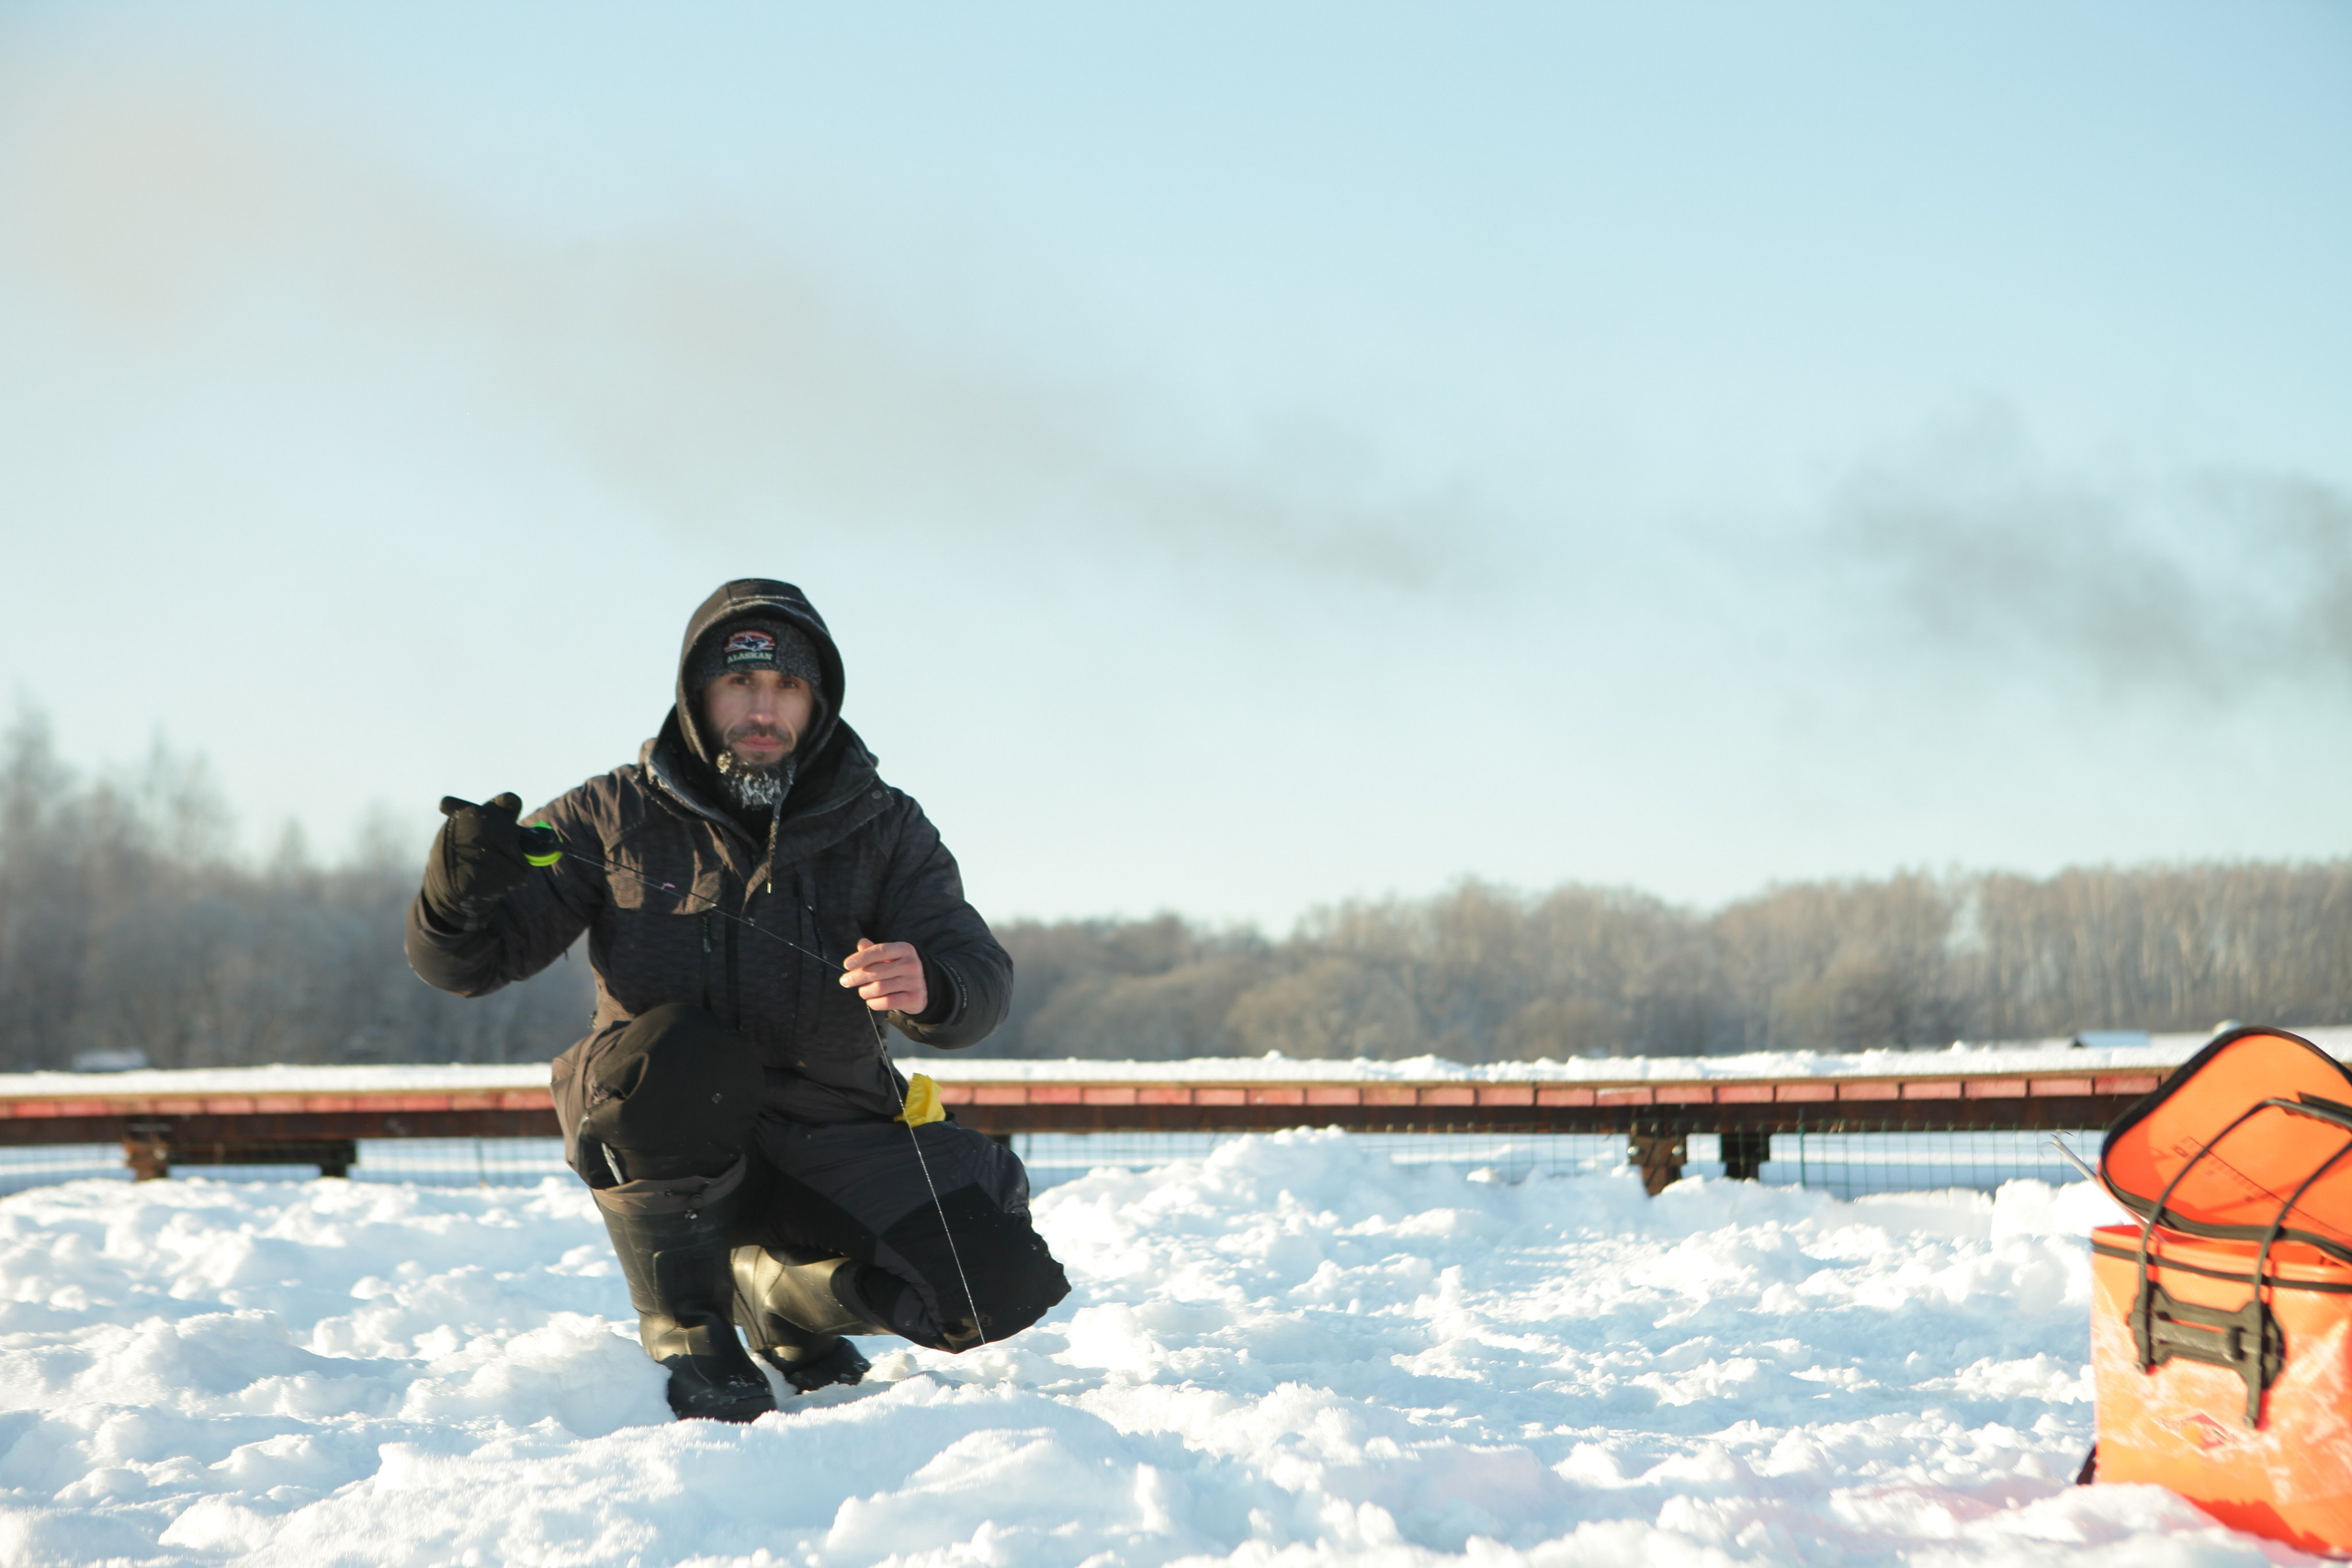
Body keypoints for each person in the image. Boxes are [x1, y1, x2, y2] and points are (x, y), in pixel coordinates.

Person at [405, 578, 1067, 1422]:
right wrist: (453, 895)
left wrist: (934, 984)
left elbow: (979, 973)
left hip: (833, 1128)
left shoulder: (887, 824)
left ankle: (783, 1298)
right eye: (740, 684)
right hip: (667, 1123)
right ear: (696, 696)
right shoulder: (606, 816)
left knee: (998, 1280)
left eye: (787, 686)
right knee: (685, 1051)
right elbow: (467, 963)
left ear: (817, 702)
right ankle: (687, 1324)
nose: (764, 708)